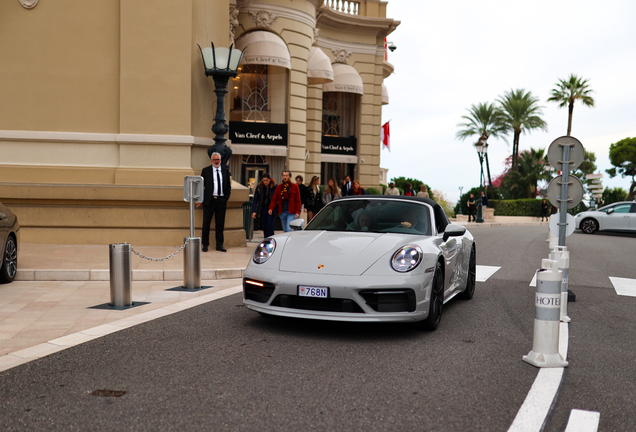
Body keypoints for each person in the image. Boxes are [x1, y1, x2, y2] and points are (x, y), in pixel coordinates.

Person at [199, 152, 231, 252]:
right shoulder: (206, 171)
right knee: (206, 224)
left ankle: (219, 244)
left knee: (220, 224)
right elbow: (201, 186)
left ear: (220, 160)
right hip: (209, 201)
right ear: (211, 160)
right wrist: (200, 199)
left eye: (218, 160)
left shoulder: (225, 170)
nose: (216, 161)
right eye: (214, 160)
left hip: (221, 200)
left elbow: (228, 186)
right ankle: (205, 244)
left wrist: (225, 198)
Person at [252, 173, 277, 238]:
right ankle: (266, 239)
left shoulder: (274, 187)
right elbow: (255, 199)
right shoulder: (260, 187)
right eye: (264, 180)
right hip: (263, 208)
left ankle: (271, 239)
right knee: (265, 226)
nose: (265, 182)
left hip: (272, 209)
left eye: (266, 180)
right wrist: (254, 211)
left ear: (269, 180)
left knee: (269, 224)